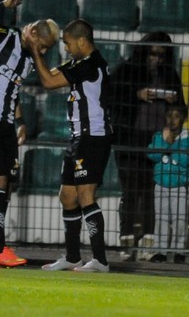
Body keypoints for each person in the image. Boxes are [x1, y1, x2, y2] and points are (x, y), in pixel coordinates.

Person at [0, 0, 60, 268]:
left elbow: (12, 90)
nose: (43, 52)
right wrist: (1, 6)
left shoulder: (30, 59)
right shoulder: (3, 36)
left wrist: (21, 122)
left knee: (5, 187)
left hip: (5, 124)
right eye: (42, 45)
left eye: (47, 49)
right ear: (32, 32)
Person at [34, 19, 113, 273]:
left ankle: (100, 260)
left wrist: (35, 49)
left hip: (93, 137)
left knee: (85, 195)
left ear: (82, 41)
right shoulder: (79, 64)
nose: (66, 48)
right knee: (67, 196)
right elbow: (51, 74)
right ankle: (72, 257)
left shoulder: (91, 66)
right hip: (78, 137)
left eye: (68, 43)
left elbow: (48, 82)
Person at [110, 32, 185, 261]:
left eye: (161, 55)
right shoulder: (126, 70)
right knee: (131, 192)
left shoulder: (169, 74)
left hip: (157, 140)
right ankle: (127, 242)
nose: (157, 59)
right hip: (129, 138)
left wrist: (173, 107)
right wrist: (137, 95)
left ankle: (148, 243)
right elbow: (112, 98)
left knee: (152, 193)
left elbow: (182, 108)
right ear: (144, 51)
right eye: (153, 53)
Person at [146, 103, 189, 264]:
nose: (172, 120)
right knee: (161, 218)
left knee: (180, 219)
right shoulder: (159, 136)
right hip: (161, 182)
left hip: (180, 184)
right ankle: (160, 251)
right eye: (169, 116)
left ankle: (178, 250)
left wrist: (170, 147)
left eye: (176, 116)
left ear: (184, 119)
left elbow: (186, 159)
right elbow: (152, 154)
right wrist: (166, 143)